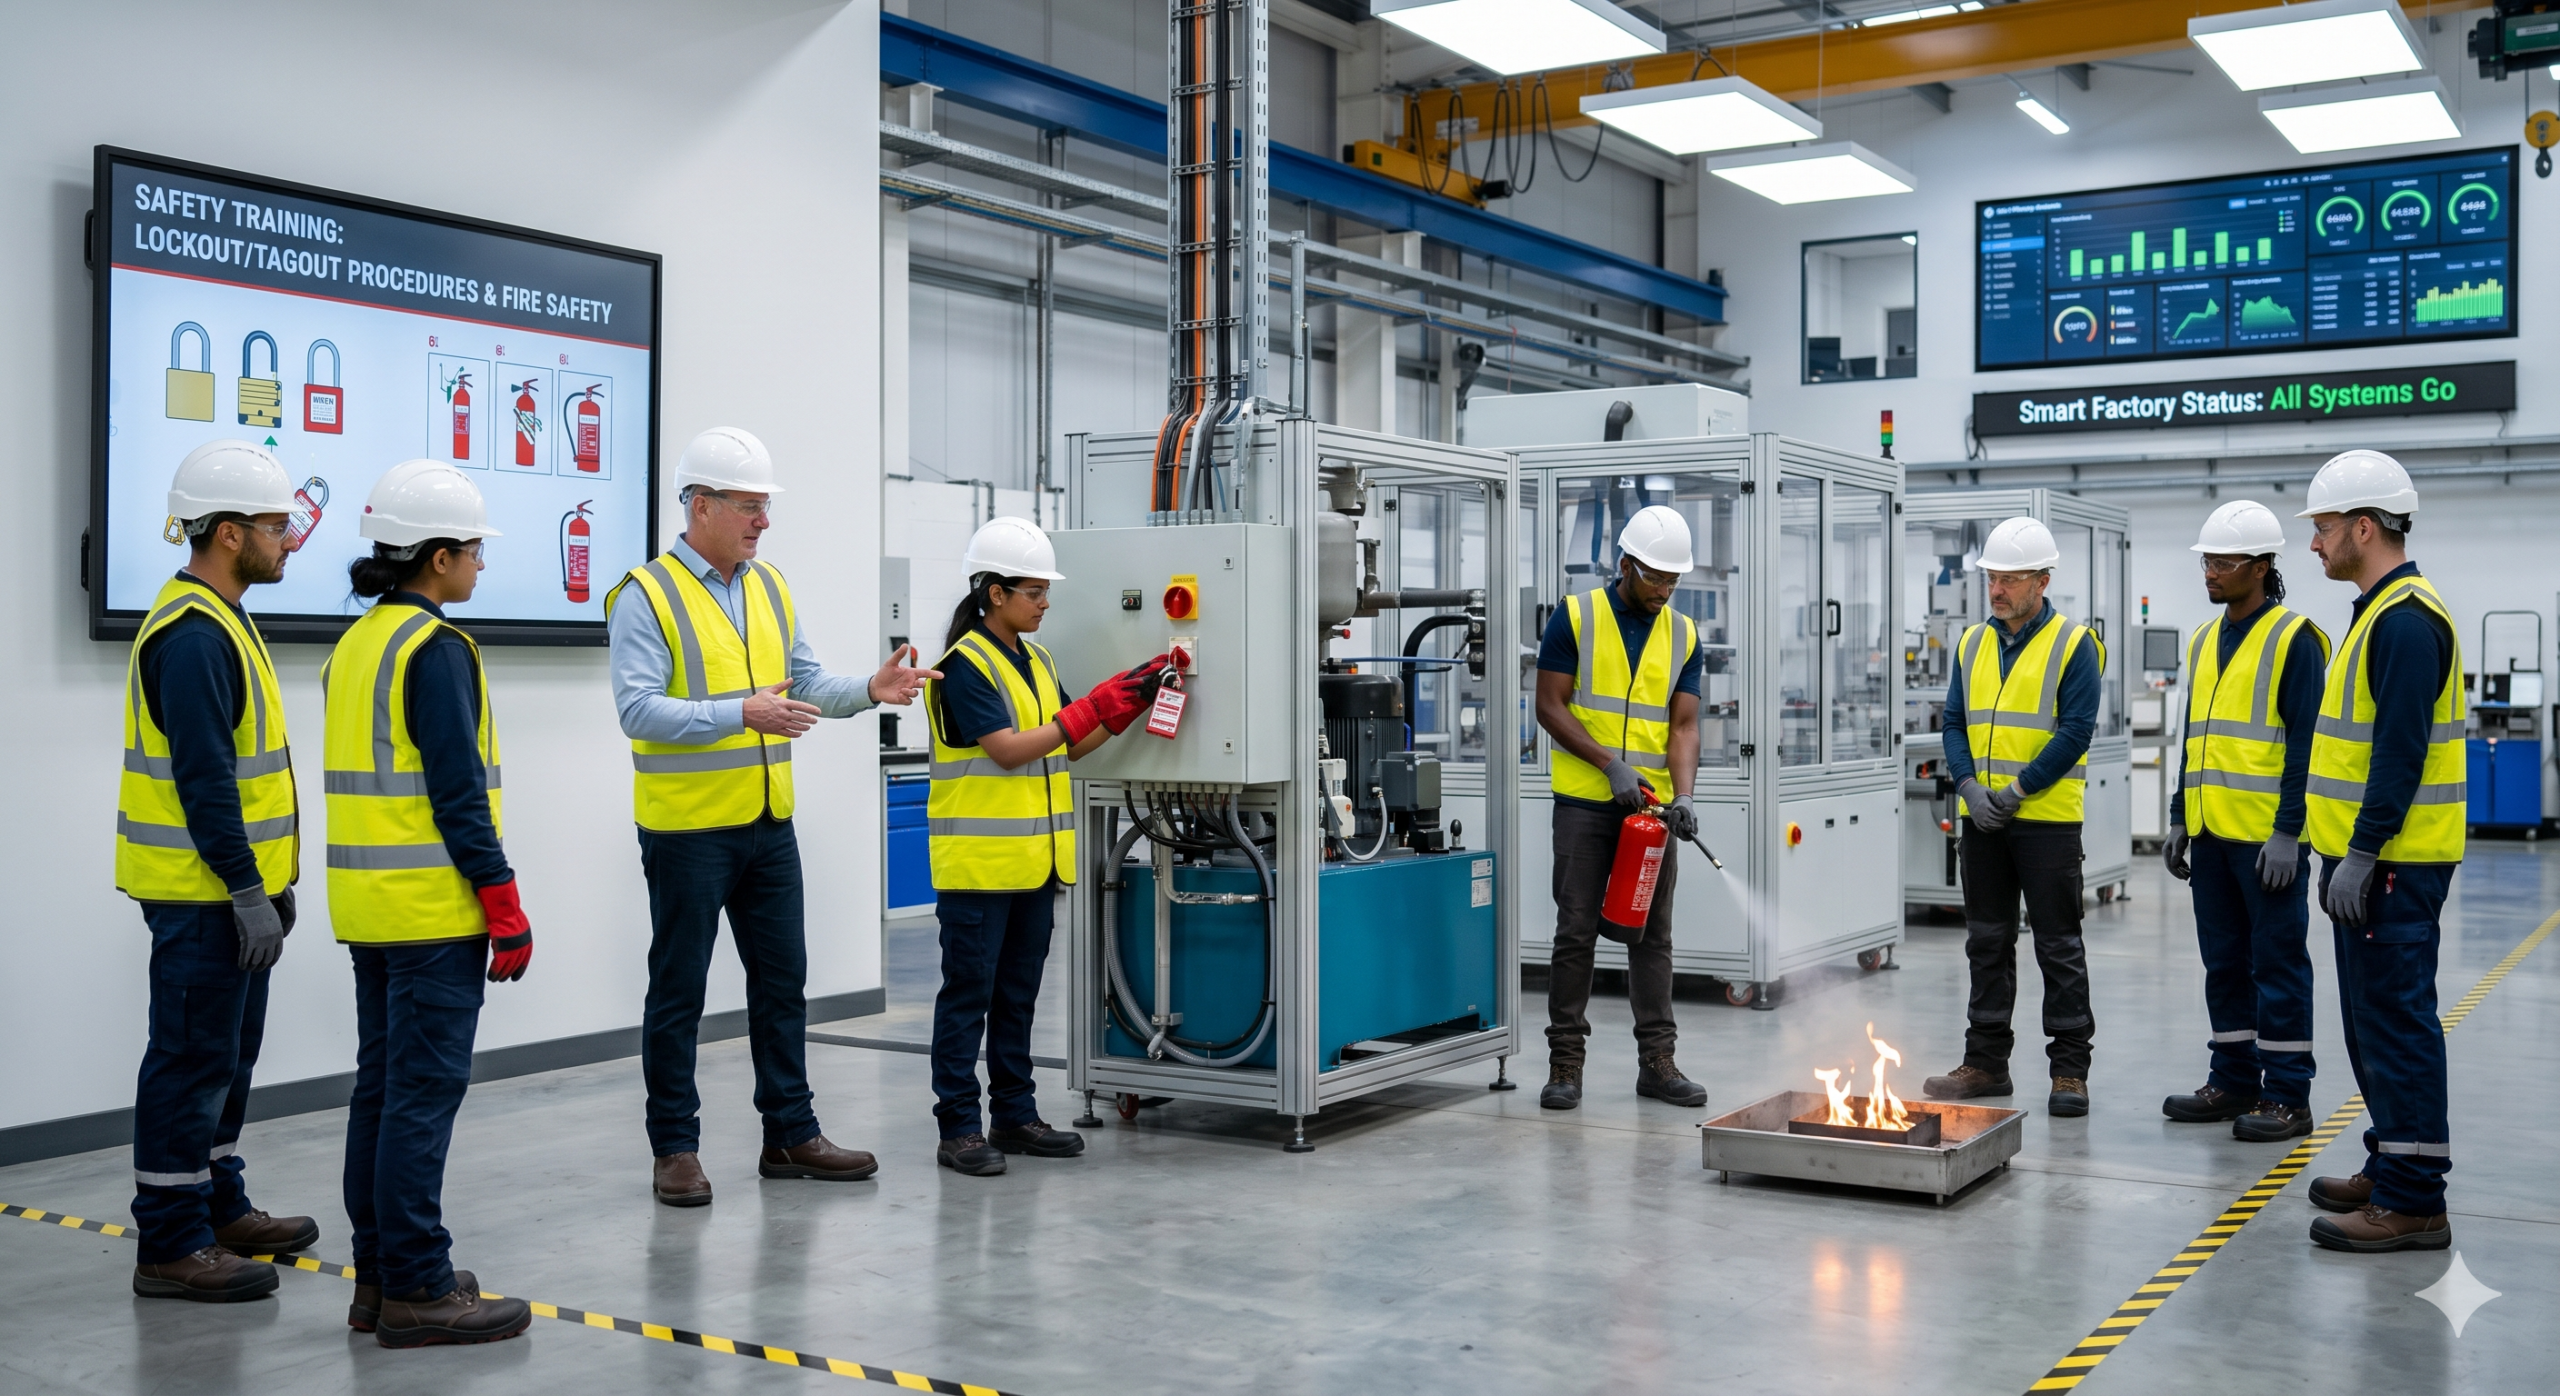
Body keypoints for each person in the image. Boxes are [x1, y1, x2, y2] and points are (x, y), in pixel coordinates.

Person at [607, 427, 936, 1207]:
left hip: (766, 825)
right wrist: (740, 713)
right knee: (679, 992)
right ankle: (674, 1149)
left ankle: (790, 1133)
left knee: (784, 982)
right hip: (687, 830)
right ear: (701, 506)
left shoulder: (769, 586)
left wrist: (870, 691)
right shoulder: (644, 594)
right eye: (749, 506)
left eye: (765, 506)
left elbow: (806, 683)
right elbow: (637, 710)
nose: (763, 521)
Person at [324, 461, 534, 1347]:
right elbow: (456, 794)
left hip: (369, 908)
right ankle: (417, 1285)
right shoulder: (436, 649)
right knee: (419, 1100)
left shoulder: (359, 642)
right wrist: (503, 900)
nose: (481, 564)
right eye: (474, 551)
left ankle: (380, 1278)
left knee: (381, 1092)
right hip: (431, 912)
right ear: (438, 557)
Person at [115, 440, 319, 1302]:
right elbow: (205, 783)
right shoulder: (196, 636)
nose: (288, 539)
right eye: (275, 526)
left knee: (226, 1059)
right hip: (203, 897)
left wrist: (270, 885)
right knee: (190, 1061)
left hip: (235, 895)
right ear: (229, 533)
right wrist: (245, 888)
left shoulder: (223, 618)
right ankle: (169, 1242)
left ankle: (215, 1206)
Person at [924, 517, 1167, 1176]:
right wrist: (1086, 709)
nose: (1045, 603)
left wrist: (1126, 704)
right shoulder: (962, 666)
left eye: (1045, 591)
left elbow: (1070, 743)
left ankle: (1014, 1114)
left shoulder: (1037, 662)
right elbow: (1007, 751)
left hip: (1033, 866)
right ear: (995, 593)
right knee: (967, 1001)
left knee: (1017, 997)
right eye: (1033, 592)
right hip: (978, 870)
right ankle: (958, 1128)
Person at [2295, 450, 2465, 1253]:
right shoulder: (2377, 614)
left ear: (2364, 528)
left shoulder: (2402, 621)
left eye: (2324, 527)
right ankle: (2391, 1160)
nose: (2315, 543)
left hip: (2394, 862)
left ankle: (2414, 1200)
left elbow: (2399, 753)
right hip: (2367, 861)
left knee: (2396, 1023)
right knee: (2371, 1026)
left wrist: (2362, 852)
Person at [1921, 516, 2105, 1117]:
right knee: (1987, 942)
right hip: (1982, 820)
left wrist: (2019, 789)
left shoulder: (2075, 644)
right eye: (1992, 578)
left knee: (2058, 944)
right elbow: (1953, 723)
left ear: (2042, 581)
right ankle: (1985, 1063)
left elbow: (2075, 731)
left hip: (2047, 820)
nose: (1996, 589)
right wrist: (1969, 788)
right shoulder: (1972, 643)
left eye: (2010, 579)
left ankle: (2069, 1070)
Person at [2160, 501, 2329, 1143]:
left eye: (2224, 562)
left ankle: (2287, 1095)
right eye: (2207, 561)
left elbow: (2308, 746)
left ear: (2261, 567)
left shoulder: (2295, 640)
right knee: (2224, 963)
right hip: (2210, 833)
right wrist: (2180, 816)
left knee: (2277, 966)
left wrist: (2289, 832)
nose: (2211, 572)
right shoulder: (2205, 639)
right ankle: (2232, 1079)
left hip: (2265, 842)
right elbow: (2194, 736)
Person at [1532, 503, 1709, 1112]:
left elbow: (1683, 726)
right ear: (1626, 564)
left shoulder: (1684, 634)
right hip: (1585, 803)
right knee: (1576, 931)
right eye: (1655, 577)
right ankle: (1565, 1065)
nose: (1664, 590)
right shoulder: (1576, 615)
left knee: (1652, 936)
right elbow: (1549, 705)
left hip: (1651, 812)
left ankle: (1658, 1064)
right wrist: (1609, 765)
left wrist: (1683, 795)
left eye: (1673, 580)